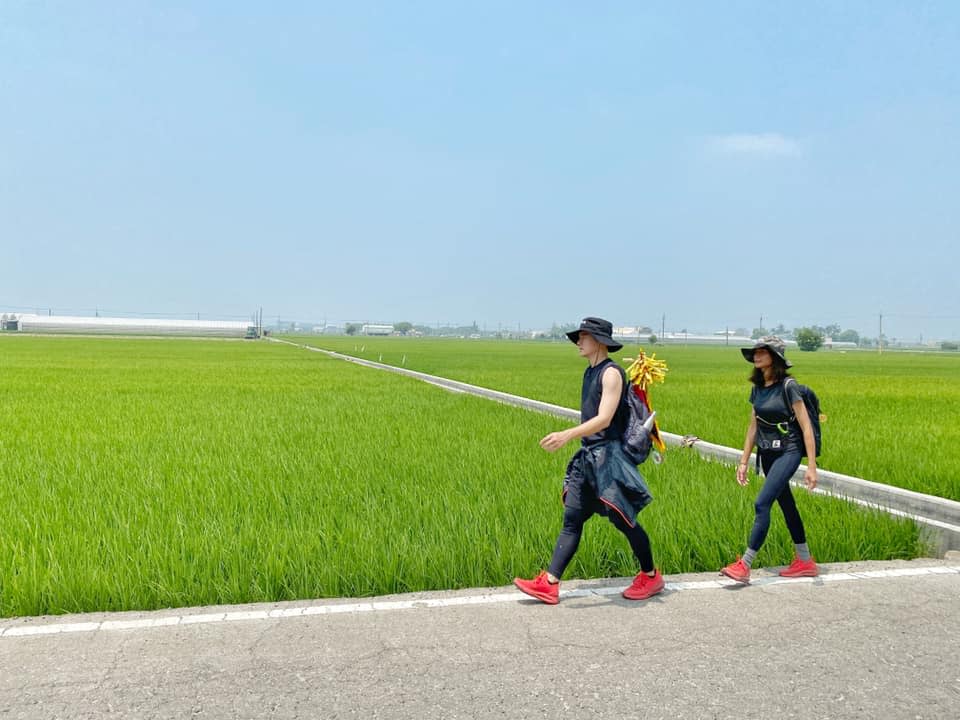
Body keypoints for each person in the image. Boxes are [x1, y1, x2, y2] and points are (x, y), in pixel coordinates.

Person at [513, 317, 664, 604]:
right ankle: (550, 583)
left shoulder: (611, 374)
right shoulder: (589, 372)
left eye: (583, 337)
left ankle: (651, 575)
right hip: (588, 460)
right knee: (572, 519)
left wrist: (567, 434)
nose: (578, 342)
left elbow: (604, 419)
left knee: (625, 521)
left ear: (599, 341)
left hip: (608, 461)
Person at [721, 336, 819, 583]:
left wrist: (811, 467)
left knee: (761, 503)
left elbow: (806, 427)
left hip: (789, 450)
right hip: (767, 453)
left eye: (762, 352)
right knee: (787, 505)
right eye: (754, 352)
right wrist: (744, 461)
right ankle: (805, 561)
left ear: (774, 356)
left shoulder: (789, 386)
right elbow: (753, 427)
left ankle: (745, 564)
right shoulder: (758, 388)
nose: (756, 356)